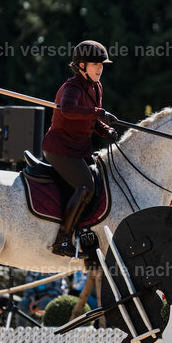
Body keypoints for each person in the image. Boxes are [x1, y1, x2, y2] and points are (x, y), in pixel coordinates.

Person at [41, 40, 119, 257]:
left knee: (100, 181)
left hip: (79, 149)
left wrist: (106, 131)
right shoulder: (72, 87)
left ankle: (84, 232)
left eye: (102, 65)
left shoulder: (97, 87)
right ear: (81, 66)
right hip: (60, 149)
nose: (100, 69)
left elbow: (92, 120)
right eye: (96, 65)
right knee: (86, 186)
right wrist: (97, 112)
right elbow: (68, 110)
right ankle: (62, 239)